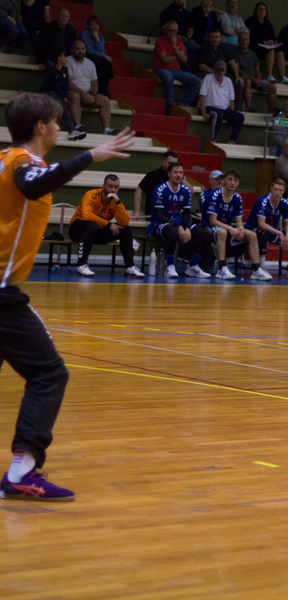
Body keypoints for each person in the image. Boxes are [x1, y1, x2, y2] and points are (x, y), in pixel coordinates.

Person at [0, 94, 135, 501]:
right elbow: (34, 184)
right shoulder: (25, 163)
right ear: (40, 127)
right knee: (49, 374)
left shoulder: (4, 157)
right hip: (1, 294)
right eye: (57, 121)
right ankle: (22, 471)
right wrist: (90, 156)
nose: (61, 127)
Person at [68, 175, 144, 279]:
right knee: (91, 225)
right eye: (110, 186)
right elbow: (87, 216)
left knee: (125, 230)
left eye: (116, 187)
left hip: (97, 231)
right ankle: (81, 265)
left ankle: (129, 267)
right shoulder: (91, 195)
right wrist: (108, 224)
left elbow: (125, 222)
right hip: (77, 229)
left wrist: (118, 202)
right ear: (104, 186)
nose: (113, 190)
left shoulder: (114, 202)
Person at [146, 161, 211, 279]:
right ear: (169, 174)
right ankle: (170, 267)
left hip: (178, 222)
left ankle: (193, 266)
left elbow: (187, 214)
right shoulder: (160, 190)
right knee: (173, 231)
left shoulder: (185, 191)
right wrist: (179, 227)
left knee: (205, 233)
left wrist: (188, 228)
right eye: (175, 172)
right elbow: (160, 215)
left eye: (181, 172)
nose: (178, 175)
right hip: (158, 223)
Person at [205, 170, 271, 280]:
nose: (232, 183)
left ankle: (256, 269)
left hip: (227, 228)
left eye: (235, 181)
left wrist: (240, 228)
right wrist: (231, 228)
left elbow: (239, 221)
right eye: (230, 179)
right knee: (222, 232)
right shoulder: (215, 195)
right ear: (225, 181)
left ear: (238, 183)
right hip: (211, 228)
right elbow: (212, 221)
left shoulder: (237, 198)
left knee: (252, 235)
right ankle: (221, 269)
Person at [245, 178, 288, 280]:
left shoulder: (285, 203)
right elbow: (261, 224)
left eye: (280, 190)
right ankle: (261, 268)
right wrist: (279, 233)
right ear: (271, 189)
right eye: (276, 189)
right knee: (263, 232)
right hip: (254, 229)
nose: (278, 192)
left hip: (271, 230)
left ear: (283, 192)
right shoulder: (263, 201)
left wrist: (287, 234)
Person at [67, 40, 115, 139]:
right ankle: (78, 127)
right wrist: (83, 94)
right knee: (75, 96)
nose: (80, 51)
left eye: (82, 49)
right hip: (74, 94)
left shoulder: (90, 63)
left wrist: (92, 95)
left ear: (85, 50)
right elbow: (69, 82)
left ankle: (107, 129)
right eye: (77, 49)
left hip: (88, 94)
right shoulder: (68, 61)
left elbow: (94, 83)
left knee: (105, 100)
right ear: (72, 50)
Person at [154, 20, 203, 116]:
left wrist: (175, 47)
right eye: (170, 31)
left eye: (175, 31)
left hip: (176, 70)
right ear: (166, 30)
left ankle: (183, 104)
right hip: (161, 68)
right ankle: (169, 106)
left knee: (198, 81)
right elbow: (164, 60)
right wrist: (177, 56)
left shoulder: (178, 42)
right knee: (168, 77)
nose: (172, 33)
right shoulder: (160, 40)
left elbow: (184, 60)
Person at [199, 60, 245, 144]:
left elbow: (231, 101)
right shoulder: (208, 78)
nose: (220, 72)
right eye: (218, 70)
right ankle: (213, 139)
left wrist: (231, 113)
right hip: (210, 107)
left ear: (225, 72)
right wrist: (203, 113)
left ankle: (232, 141)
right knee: (218, 114)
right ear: (214, 69)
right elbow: (202, 97)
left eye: (222, 70)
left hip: (224, 109)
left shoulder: (228, 81)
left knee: (240, 117)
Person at [234, 30, 276, 113]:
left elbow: (257, 69)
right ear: (238, 41)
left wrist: (259, 79)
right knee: (248, 81)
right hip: (243, 78)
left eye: (246, 39)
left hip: (254, 79)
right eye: (242, 39)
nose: (244, 42)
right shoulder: (235, 52)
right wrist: (253, 79)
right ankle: (248, 107)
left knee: (272, 87)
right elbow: (237, 70)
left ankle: (272, 113)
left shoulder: (252, 53)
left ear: (249, 41)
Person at [39, 49, 76, 136]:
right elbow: (46, 84)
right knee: (59, 110)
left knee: (66, 113)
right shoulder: (52, 71)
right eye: (63, 56)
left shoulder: (65, 70)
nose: (65, 58)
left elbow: (66, 84)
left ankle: (72, 131)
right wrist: (41, 95)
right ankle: (52, 131)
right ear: (58, 58)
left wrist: (65, 96)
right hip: (52, 95)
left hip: (60, 96)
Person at [133, 150, 178, 218]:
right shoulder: (153, 175)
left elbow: (191, 192)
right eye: (170, 163)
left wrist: (181, 179)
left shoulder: (177, 177)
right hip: (154, 215)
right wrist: (137, 212)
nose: (172, 166)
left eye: (175, 164)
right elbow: (138, 191)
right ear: (163, 162)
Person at [79, 16, 114, 97]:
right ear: (88, 25)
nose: (95, 26)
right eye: (93, 24)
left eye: (97, 24)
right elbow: (89, 50)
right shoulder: (83, 34)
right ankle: (100, 90)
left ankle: (103, 90)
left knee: (106, 64)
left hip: (96, 58)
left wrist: (97, 38)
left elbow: (101, 51)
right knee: (100, 65)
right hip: (85, 56)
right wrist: (105, 55)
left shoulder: (100, 37)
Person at [244, 2, 279, 82]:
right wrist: (264, 42)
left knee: (279, 52)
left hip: (267, 47)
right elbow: (250, 37)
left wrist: (275, 41)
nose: (262, 11)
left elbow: (273, 36)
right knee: (271, 51)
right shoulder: (250, 22)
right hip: (255, 48)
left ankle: (283, 77)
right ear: (255, 11)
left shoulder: (268, 24)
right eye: (260, 9)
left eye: (263, 10)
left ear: (266, 12)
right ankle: (269, 75)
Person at [159, 0, 199, 66]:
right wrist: (177, 37)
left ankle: (190, 65)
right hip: (171, 39)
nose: (179, 0)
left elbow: (191, 29)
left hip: (185, 39)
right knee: (184, 49)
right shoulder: (166, 12)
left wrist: (187, 37)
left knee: (198, 49)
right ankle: (186, 69)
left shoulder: (187, 14)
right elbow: (163, 28)